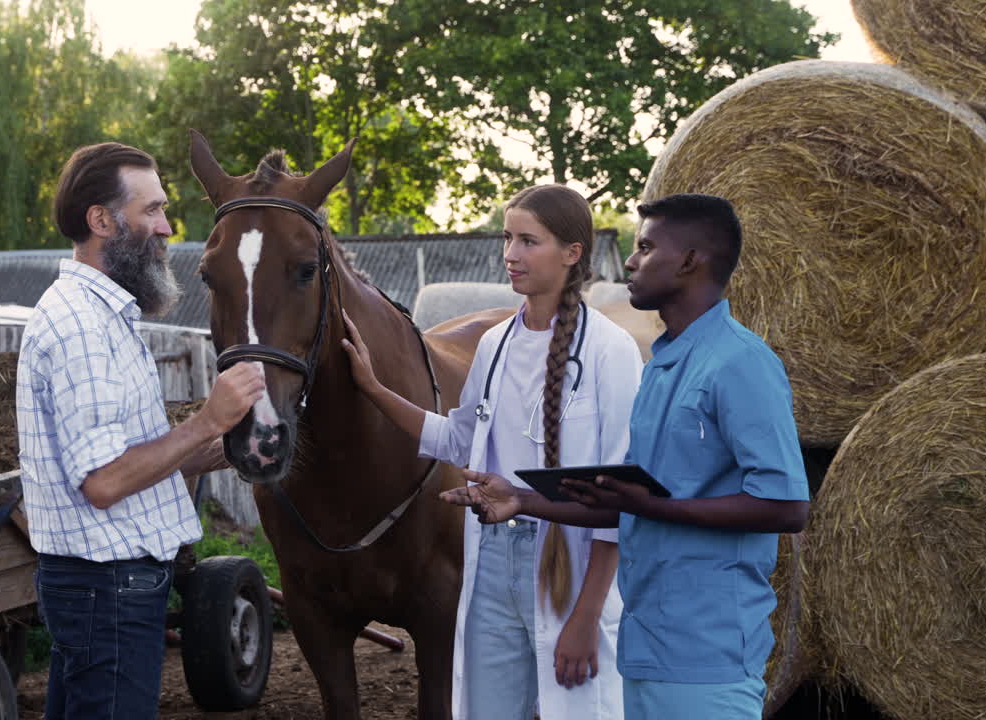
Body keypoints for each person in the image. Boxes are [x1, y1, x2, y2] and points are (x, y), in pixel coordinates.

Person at [441, 193, 810, 720]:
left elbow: (787, 506)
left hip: (707, 656)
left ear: (688, 261)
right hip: (644, 645)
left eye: (645, 247)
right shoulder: (661, 368)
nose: (631, 262)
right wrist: (520, 500)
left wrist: (654, 508)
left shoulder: (740, 363)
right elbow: (627, 501)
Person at [342, 184, 642, 719]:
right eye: (508, 238)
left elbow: (619, 498)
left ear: (572, 253)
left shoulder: (608, 350)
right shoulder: (495, 344)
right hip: (490, 563)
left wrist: (586, 617)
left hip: (571, 569)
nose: (510, 255)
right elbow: (457, 439)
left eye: (529, 241)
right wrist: (372, 388)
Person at [16, 142, 264, 720]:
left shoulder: (105, 315)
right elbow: (103, 482)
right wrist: (208, 419)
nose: (167, 227)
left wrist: (219, 447)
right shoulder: (80, 327)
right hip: (107, 589)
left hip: (107, 587)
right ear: (101, 220)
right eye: (151, 210)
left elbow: (130, 460)